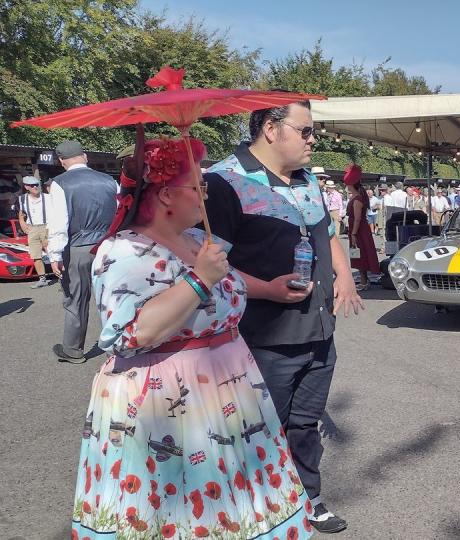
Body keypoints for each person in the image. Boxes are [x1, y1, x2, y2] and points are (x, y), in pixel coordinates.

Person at [72, 135, 313, 539]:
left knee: (236, 502)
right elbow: (133, 332)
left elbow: (226, 280)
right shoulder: (123, 252)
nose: (206, 191)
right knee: (182, 508)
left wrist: (269, 288)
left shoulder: (197, 240)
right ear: (166, 195)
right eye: (198, 185)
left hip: (228, 389)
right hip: (168, 401)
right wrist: (199, 279)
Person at [202, 99, 363, 533]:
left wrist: (344, 276)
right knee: (256, 427)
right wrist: (266, 289)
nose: (314, 140)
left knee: (305, 424)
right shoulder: (223, 182)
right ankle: (256, 505)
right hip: (262, 335)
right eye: (306, 131)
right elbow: (206, 265)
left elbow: (327, 233)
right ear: (271, 129)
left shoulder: (307, 179)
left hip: (317, 330)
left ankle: (307, 496)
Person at [47, 140, 118, 363]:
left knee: (76, 298)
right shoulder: (109, 181)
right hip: (109, 245)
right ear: (85, 156)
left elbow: (59, 222)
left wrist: (54, 255)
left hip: (78, 247)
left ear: (61, 161)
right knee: (113, 296)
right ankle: (118, 344)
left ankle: (73, 349)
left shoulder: (60, 184)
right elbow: (119, 214)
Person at [344, 165, 380, 290]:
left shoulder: (357, 199)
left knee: (360, 254)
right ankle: (364, 280)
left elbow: (358, 218)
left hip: (359, 230)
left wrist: (353, 233)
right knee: (359, 254)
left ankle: (364, 281)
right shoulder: (356, 197)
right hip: (358, 229)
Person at [17, 176, 53, 288]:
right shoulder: (22, 199)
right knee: (35, 255)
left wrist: (51, 229)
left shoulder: (48, 198)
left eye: (37, 184)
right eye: (32, 185)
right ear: (26, 187)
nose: (35, 187)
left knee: (52, 252)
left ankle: (62, 278)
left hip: (47, 226)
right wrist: (22, 222)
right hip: (32, 228)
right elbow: (21, 213)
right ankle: (42, 278)